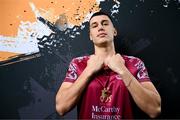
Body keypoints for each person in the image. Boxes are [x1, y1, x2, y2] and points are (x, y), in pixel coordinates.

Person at [56, 11, 161, 119]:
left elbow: (154, 109)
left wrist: (122, 70)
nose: (100, 27)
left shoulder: (135, 63)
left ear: (114, 31)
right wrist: (89, 70)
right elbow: (61, 108)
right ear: (90, 36)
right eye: (94, 25)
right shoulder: (78, 64)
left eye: (105, 23)